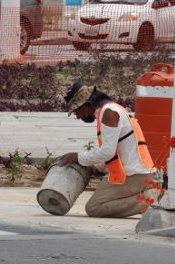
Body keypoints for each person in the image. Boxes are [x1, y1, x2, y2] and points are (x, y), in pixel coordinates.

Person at [58, 81, 157, 218]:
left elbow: (107, 152)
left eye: (77, 111)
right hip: (136, 173)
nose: (78, 116)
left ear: (86, 104)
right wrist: (95, 167)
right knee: (99, 204)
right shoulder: (111, 110)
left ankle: (149, 198)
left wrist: (78, 157)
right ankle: (146, 194)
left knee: (93, 208)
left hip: (135, 176)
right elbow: (117, 151)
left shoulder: (109, 113)